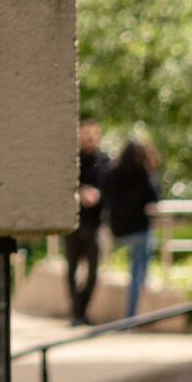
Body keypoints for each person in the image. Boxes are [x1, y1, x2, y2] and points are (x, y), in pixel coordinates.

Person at [102, 137, 161, 323]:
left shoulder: (112, 174)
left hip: (118, 230)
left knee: (137, 271)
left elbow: (105, 195)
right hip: (139, 231)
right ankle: (130, 318)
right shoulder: (143, 174)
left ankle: (130, 318)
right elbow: (154, 198)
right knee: (137, 274)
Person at [67, 117, 109, 325]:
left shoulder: (104, 161)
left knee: (93, 272)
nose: (89, 141)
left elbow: (109, 190)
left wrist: (97, 195)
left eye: (93, 137)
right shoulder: (73, 160)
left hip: (94, 224)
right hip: (75, 223)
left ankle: (82, 309)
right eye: (85, 136)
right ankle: (76, 313)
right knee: (72, 269)